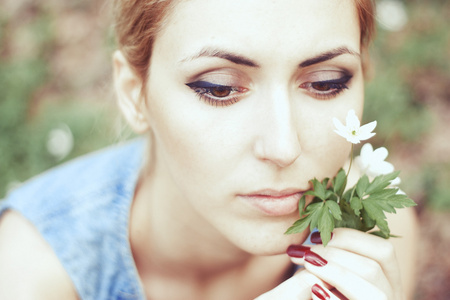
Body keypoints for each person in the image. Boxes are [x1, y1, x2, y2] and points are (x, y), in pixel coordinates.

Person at [0, 0, 419, 299]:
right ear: (133, 94)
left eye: (326, 81)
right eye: (219, 88)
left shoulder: (374, 234)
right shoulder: (32, 274)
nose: (283, 146)